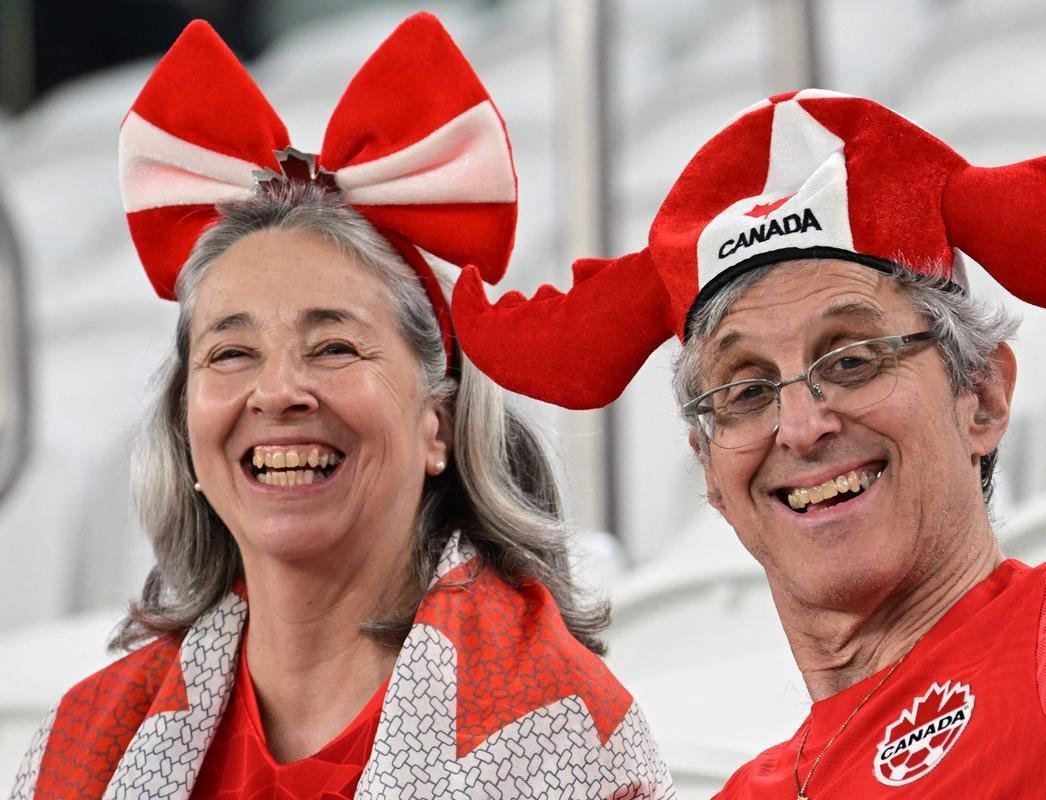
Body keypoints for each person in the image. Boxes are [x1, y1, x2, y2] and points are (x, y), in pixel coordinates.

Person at [452, 90, 1046, 796]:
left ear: (982, 397)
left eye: (851, 360)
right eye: (746, 391)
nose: (802, 427)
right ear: (709, 469)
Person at [8, 14, 674, 800]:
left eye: (333, 347)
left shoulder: (567, 736)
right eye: (231, 353)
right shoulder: (85, 738)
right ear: (186, 431)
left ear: (440, 424)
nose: (277, 392)